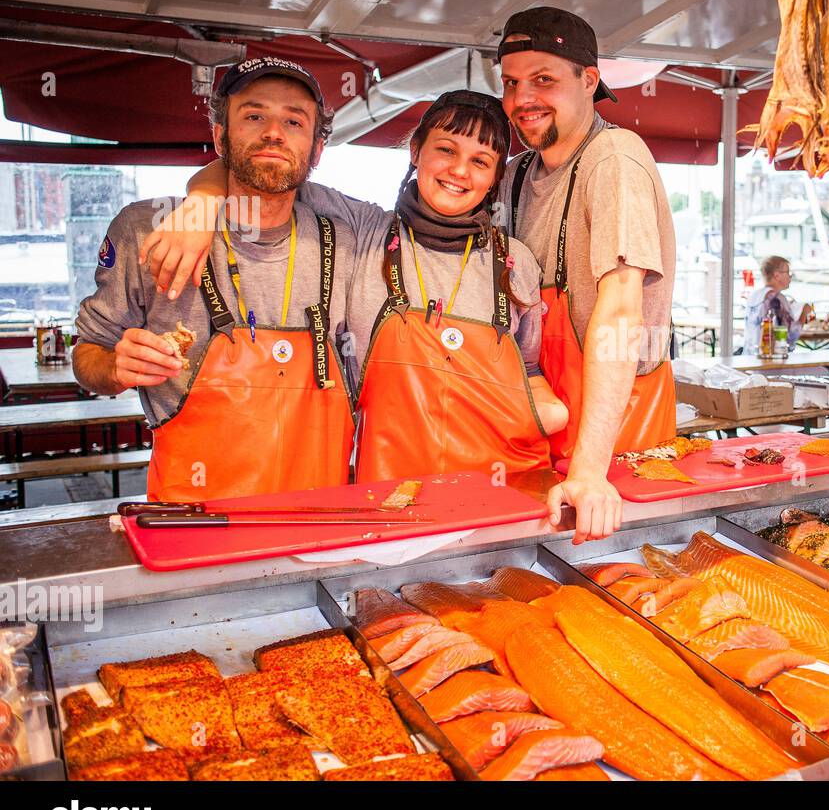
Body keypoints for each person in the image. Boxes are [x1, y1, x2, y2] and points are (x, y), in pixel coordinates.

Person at [145, 91, 567, 482]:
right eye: (446, 149)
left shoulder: (513, 260)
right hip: (392, 496)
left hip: (507, 485)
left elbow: (528, 370)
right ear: (416, 151)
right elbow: (264, 168)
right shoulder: (365, 231)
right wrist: (200, 204)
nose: (459, 171)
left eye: (480, 161)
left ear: (495, 176)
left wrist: (544, 410)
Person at [74, 57, 356, 501]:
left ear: (317, 150)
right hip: (193, 515)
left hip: (320, 519)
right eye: (254, 115)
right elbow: (87, 354)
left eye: (294, 121)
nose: (274, 133)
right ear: (220, 136)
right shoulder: (146, 229)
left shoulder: (348, 239)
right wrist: (113, 366)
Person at [498, 6, 677, 542]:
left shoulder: (614, 160)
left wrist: (591, 472)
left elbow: (621, 311)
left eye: (544, 80)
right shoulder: (515, 175)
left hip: (616, 433)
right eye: (510, 83)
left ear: (589, 80)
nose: (521, 99)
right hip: (543, 422)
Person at [743, 255, 811, 355]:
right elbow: (791, 335)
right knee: (821, 370)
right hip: (770, 361)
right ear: (777, 275)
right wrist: (804, 312)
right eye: (788, 272)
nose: (790, 277)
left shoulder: (754, 295)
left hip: (749, 356)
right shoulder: (777, 298)